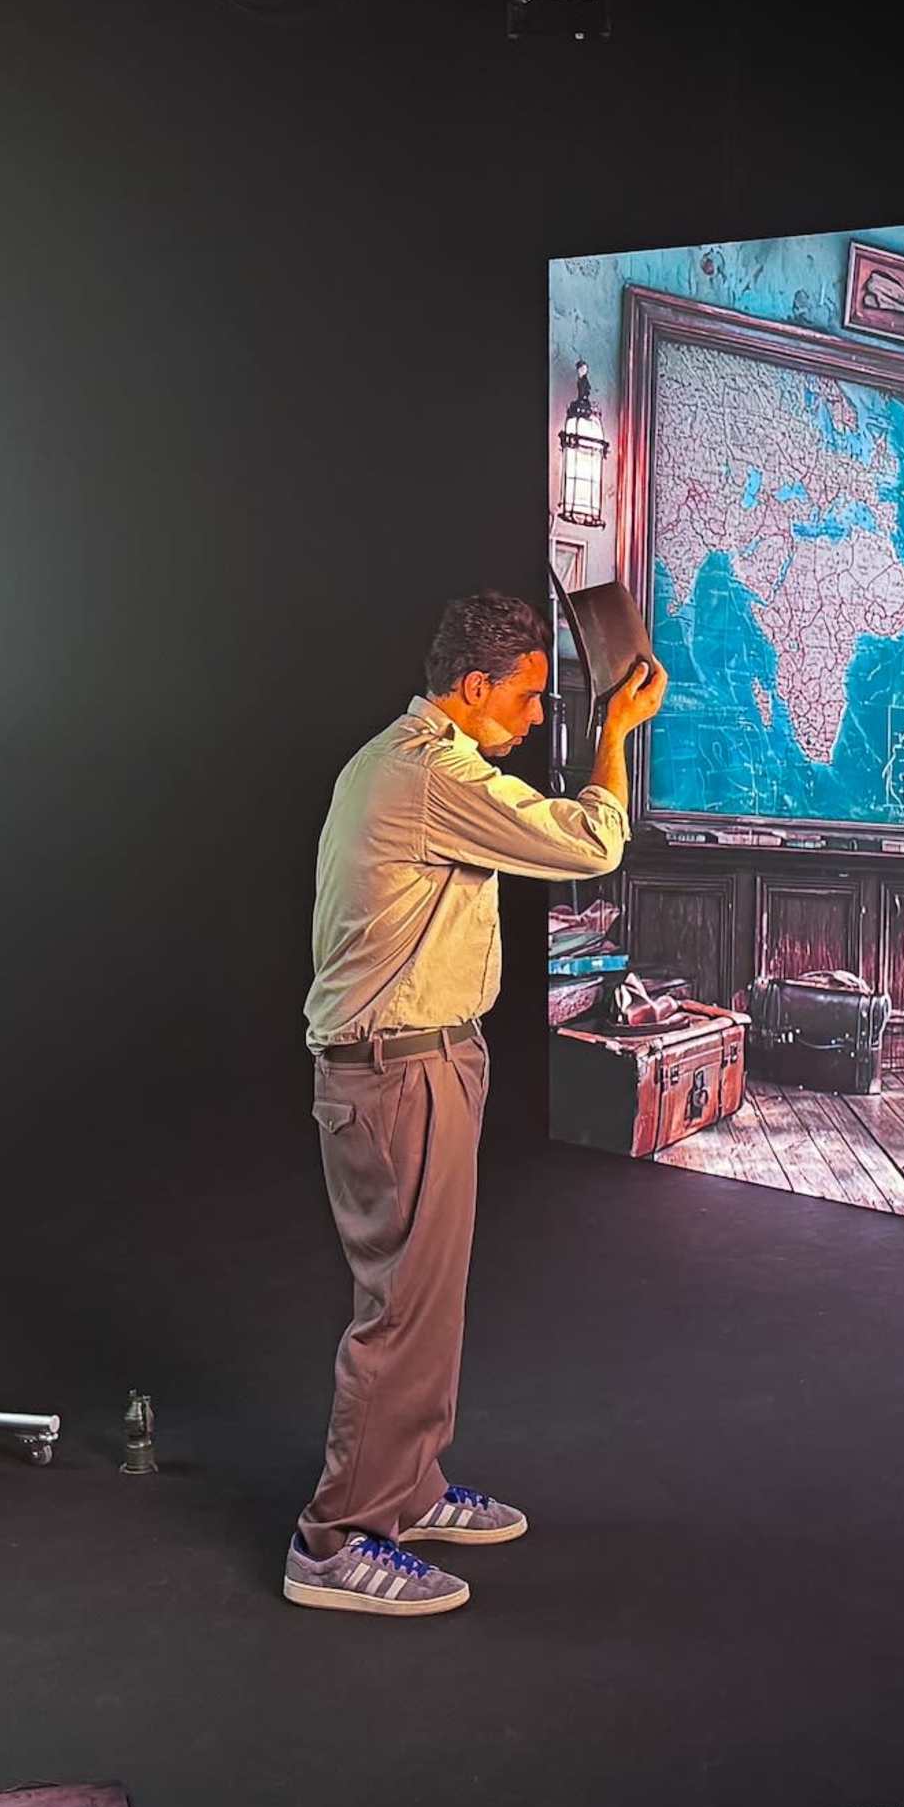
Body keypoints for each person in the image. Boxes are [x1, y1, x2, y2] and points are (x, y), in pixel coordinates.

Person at [285, 590, 667, 1617]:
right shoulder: (426, 775)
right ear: (470, 689)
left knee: (427, 1299)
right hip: (399, 1070)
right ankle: (335, 1541)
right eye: (531, 697)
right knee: (401, 1309)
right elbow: (591, 842)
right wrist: (615, 733)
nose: (540, 716)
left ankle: (403, 1492)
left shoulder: (409, 763)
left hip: (427, 1059)